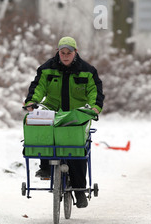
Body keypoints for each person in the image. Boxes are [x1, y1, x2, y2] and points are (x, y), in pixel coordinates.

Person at [24, 36, 104, 208]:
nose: (65, 56)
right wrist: (31, 101)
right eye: (62, 52)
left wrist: (95, 107)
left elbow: (94, 91)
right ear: (58, 53)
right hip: (53, 110)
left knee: (77, 150)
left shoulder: (88, 71)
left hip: (76, 114)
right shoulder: (47, 69)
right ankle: (45, 164)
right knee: (43, 129)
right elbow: (38, 87)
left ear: (76, 53)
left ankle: (79, 190)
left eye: (69, 52)